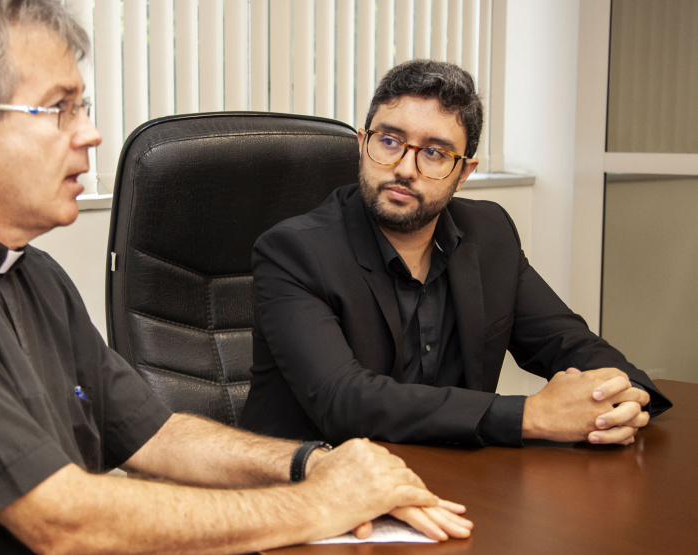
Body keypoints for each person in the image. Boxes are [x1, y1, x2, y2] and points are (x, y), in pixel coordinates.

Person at [0, 2, 473, 553]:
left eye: (81, 107)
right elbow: (60, 522)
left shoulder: (33, 272)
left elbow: (157, 434)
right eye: (59, 109)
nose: (89, 134)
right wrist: (316, 503)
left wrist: (310, 463)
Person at [240, 59, 672, 448]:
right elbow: (344, 401)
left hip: (453, 485)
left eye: (434, 152)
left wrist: (625, 396)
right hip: (310, 492)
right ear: (361, 143)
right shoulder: (295, 251)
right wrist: (532, 415)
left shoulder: (489, 234)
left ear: (464, 172)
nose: (405, 169)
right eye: (389, 141)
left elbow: (566, 341)